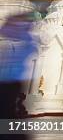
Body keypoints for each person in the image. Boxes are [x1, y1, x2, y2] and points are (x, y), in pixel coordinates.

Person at [0, 12, 36, 140]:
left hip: (10, 81)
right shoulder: (21, 36)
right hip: (9, 80)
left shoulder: (24, 37)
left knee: (7, 112)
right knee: (7, 112)